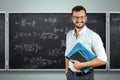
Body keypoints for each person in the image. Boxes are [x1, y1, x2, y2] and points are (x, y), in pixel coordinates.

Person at [65, 5, 107, 80]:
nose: (79, 20)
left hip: (86, 76)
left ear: (86, 18)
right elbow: (67, 54)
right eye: (76, 17)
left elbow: (103, 60)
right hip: (70, 75)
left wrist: (82, 65)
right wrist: (67, 71)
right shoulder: (69, 34)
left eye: (82, 17)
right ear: (72, 19)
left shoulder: (94, 36)